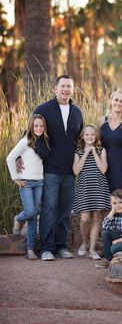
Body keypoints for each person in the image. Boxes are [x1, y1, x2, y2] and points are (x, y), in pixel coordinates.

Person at [18, 75, 84, 261]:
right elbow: (28, 134)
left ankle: (61, 246)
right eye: (62, 86)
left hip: (70, 172)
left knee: (65, 209)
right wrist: (18, 158)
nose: (65, 89)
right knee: (48, 209)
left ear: (72, 90)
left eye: (69, 87)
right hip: (49, 170)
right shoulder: (43, 109)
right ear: (55, 89)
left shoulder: (77, 112)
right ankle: (46, 248)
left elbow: (79, 139)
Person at [6, 114, 50, 260]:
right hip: (26, 182)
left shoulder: (44, 142)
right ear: (31, 126)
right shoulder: (26, 141)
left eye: (41, 126)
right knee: (30, 212)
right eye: (36, 126)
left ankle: (30, 249)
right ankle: (18, 219)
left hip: (39, 182)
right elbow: (10, 157)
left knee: (32, 217)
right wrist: (15, 178)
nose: (39, 128)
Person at [73, 124, 111, 260]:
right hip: (85, 188)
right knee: (85, 219)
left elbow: (104, 169)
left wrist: (94, 152)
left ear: (96, 136)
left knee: (96, 218)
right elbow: (76, 170)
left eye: (92, 134)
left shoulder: (102, 150)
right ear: (82, 137)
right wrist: (85, 154)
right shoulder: (78, 151)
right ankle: (84, 242)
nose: (89, 137)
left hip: (99, 188)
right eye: (87, 134)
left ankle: (92, 249)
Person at [100, 88, 122, 193]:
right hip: (104, 166)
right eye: (116, 100)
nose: (118, 103)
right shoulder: (102, 121)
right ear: (111, 101)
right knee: (105, 203)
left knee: (121, 200)